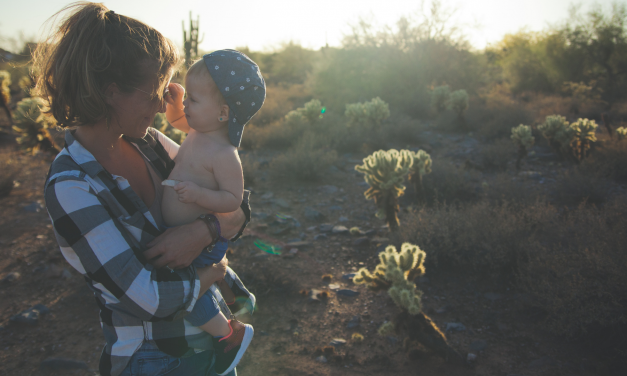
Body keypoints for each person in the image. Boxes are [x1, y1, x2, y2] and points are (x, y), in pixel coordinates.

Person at [37, 3, 250, 376]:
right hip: (155, 357)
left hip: (211, 345)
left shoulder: (150, 144)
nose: (161, 106)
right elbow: (147, 298)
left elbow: (238, 206)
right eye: (154, 93)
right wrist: (212, 272)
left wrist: (204, 230)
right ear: (110, 92)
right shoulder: (71, 185)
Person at [160, 50, 266, 375]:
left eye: (193, 99)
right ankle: (234, 290)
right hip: (192, 239)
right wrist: (176, 101)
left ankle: (228, 334)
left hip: (202, 245)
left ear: (222, 113)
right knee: (184, 282)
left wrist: (200, 195)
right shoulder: (198, 130)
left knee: (189, 290)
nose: (187, 107)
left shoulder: (223, 154)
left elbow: (233, 199)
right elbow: (178, 120)